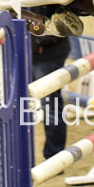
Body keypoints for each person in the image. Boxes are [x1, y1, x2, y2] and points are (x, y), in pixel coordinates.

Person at [29, 21, 71, 160]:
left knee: (51, 106)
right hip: (29, 49)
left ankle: (55, 157)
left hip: (47, 51)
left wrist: (41, 40)